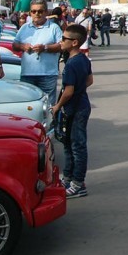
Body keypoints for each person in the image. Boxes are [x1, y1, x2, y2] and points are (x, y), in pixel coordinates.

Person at [52, 23, 93, 199]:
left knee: (77, 146)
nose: (60, 42)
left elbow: (68, 92)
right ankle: (68, 178)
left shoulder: (71, 63)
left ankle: (78, 183)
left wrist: (57, 106)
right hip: (80, 105)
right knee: (68, 144)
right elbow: (90, 80)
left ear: (74, 42)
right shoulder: (83, 59)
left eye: (64, 39)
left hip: (76, 109)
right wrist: (78, 90)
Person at [13, 0, 63, 107]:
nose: (37, 14)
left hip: (47, 75)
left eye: (40, 11)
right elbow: (14, 45)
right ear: (30, 12)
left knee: (48, 107)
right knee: (27, 105)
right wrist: (22, 46)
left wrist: (45, 48)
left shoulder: (54, 28)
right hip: (27, 74)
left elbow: (62, 46)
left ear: (46, 12)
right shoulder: (24, 28)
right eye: (33, 11)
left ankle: (50, 125)